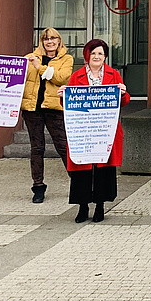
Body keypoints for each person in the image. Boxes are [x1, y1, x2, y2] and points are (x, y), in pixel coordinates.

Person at [62, 39, 130, 223]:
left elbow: (122, 102)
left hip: (105, 129)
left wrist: (123, 93)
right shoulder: (76, 76)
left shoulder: (113, 74)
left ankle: (100, 206)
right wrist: (63, 96)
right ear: (87, 55)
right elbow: (69, 103)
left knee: (103, 169)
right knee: (82, 169)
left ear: (105, 56)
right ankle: (82, 207)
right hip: (83, 130)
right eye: (93, 53)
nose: (97, 57)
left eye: (100, 53)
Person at [19, 28, 73, 203]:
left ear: (59, 40)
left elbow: (61, 78)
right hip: (32, 108)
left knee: (63, 145)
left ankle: (78, 182)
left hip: (53, 108)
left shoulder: (66, 59)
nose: (49, 41)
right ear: (41, 41)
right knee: (37, 148)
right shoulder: (30, 57)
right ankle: (38, 187)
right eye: (46, 38)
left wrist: (39, 67)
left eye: (53, 38)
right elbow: (11, 72)